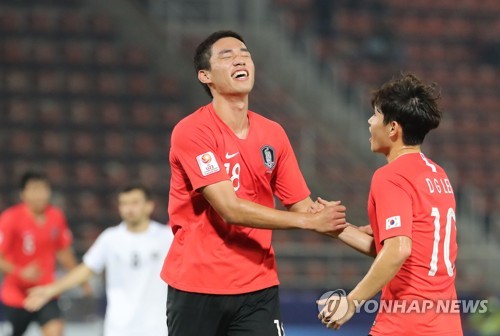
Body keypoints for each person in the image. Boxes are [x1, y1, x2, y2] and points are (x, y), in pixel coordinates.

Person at [161, 30, 348, 336]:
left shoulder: (273, 134)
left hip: (257, 287)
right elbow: (230, 209)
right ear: (204, 75)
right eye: (227, 54)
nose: (240, 58)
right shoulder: (192, 131)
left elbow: (310, 210)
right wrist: (308, 222)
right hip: (197, 286)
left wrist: (371, 241)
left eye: (244, 53)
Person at [317, 73, 463, 335]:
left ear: (393, 128)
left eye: (375, 115)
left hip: (405, 323)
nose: (370, 122)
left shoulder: (391, 177)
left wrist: (351, 303)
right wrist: (337, 229)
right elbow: (405, 250)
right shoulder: (438, 175)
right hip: (446, 325)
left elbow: (398, 250)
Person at [23, 184, 173, 336]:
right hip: (119, 329)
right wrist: (51, 290)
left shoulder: (167, 237)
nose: (129, 209)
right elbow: (86, 269)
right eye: (124, 204)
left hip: (157, 328)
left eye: (134, 203)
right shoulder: (110, 238)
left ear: (149, 206)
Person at [0, 170, 83, 336]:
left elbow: (63, 251)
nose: (39, 195)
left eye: (43, 189)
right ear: (23, 194)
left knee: (55, 331)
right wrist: (20, 271)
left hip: (46, 292)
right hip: (16, 295)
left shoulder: (56, 216)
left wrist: (80, 276)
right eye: (34, 189)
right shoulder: (10, 218)